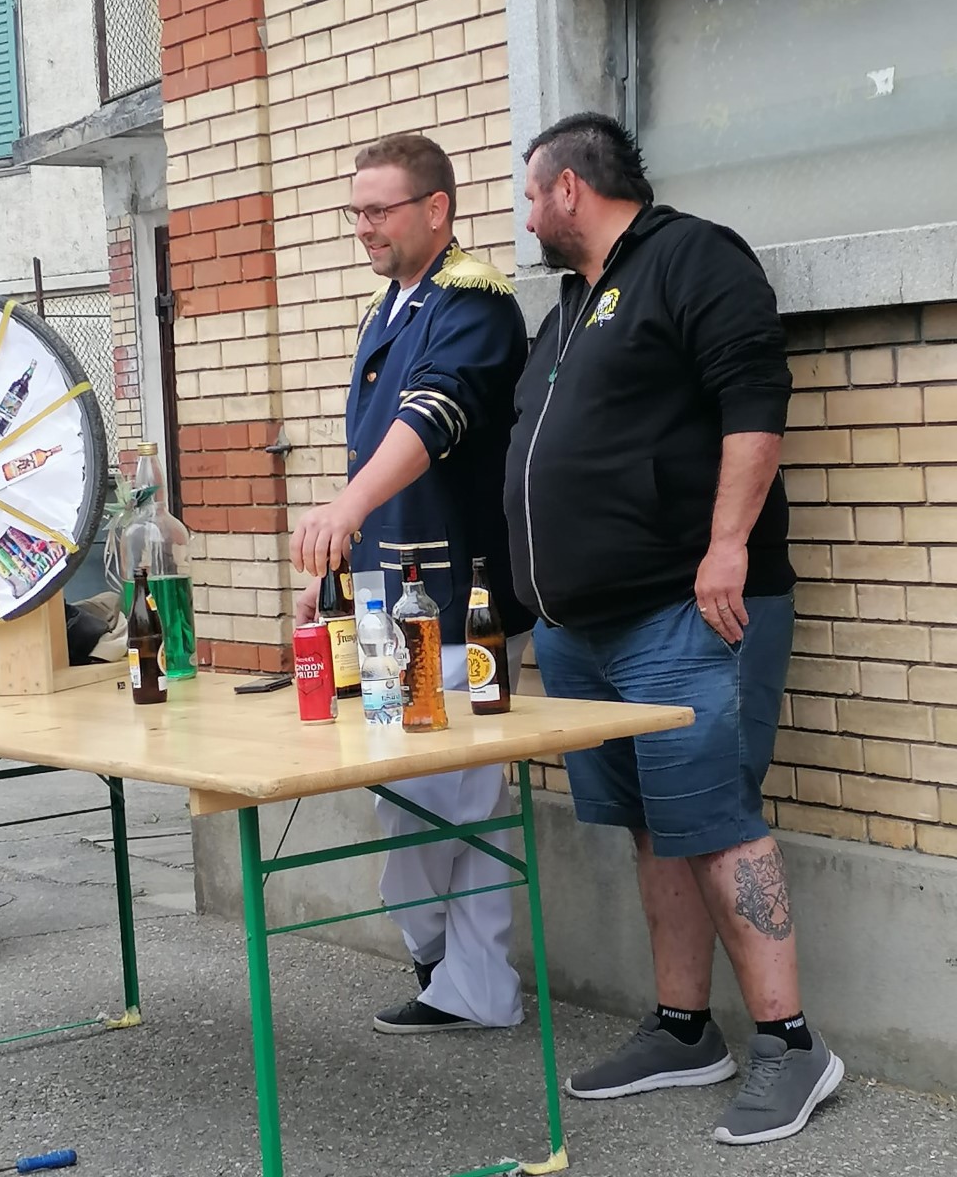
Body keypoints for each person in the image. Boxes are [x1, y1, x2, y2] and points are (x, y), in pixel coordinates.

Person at [504, 112, 843, 1145]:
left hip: (686, 610)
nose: (526, 217)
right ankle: (686, 1028)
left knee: (716, 818)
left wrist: (727, 543)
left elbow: (756, 399)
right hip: (582, 627)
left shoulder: (692, 257)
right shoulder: (571, 307)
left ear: (569, 187)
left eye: (530, 195)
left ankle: (792, 1043)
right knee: (655, 824)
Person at [291, 133, 533, 1035]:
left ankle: (459, 971)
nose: (364, 226)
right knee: (418, 792)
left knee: (452, 795)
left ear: (436, 209)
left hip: (455, 599)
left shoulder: (473, 301)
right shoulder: (390, 307)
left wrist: (343, 510)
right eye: (355, 210)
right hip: (388, 596)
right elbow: (374, 453)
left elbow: (434, 416)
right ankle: (462, 978)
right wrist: (338, 564)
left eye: (379, 209)